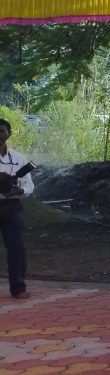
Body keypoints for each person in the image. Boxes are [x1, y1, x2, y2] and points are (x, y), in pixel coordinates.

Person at [0, 118, 33, 300]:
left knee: (16, 247)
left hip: (12, 206)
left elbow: (29, 184)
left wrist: (21, 191)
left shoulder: (19, 159)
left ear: (9, 134)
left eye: (2, 131)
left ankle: (19, 287)